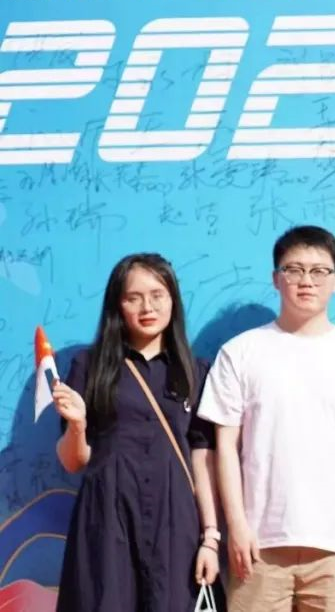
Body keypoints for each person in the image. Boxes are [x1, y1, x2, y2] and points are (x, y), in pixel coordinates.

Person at [198, 225, 335, 612]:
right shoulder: (240, 352)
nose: (306, 281)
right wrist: (236, 525)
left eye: (319, 271)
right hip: (258, 547)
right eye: (294, 269)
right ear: (276, 278)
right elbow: (225, 448)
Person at [53, 253, 221, 612]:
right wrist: (78, 425)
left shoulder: (195, 372)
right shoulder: (89, 366)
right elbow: (72, 461)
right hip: (107, 516)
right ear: (118, 305)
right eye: (134, 297)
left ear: (173, 300)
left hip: (176, 522)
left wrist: (210, 537)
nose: (148, 307)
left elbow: (203, 458)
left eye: (157, 295)